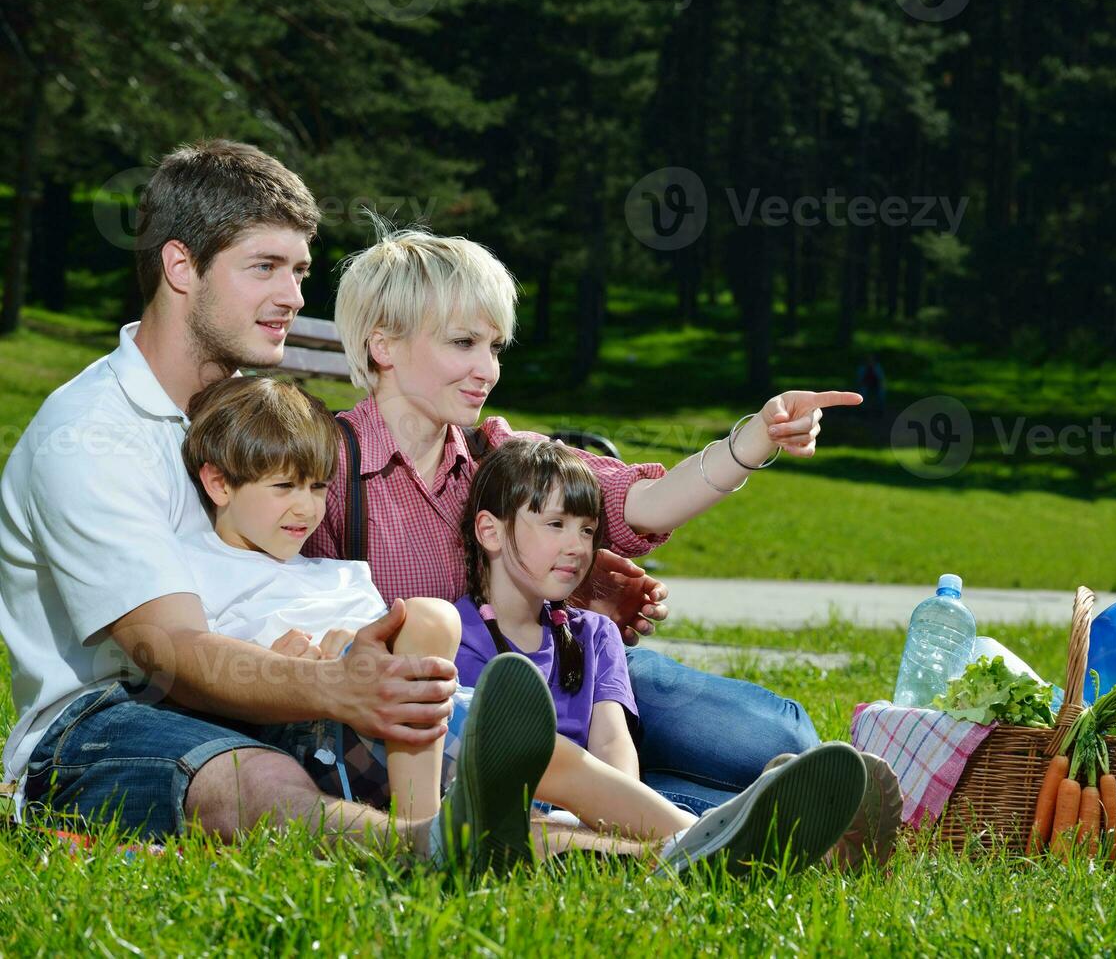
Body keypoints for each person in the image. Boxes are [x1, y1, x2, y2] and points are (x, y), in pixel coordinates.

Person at [0, 139, 548, 879]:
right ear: (180, 267)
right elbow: (168, 652)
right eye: (265, 267)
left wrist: (528, 571)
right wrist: (334, 687)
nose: (294, 296)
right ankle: (425, 848)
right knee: (255, 780)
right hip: (100, 720)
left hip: (255, 683)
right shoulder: (91, 435)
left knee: (485, 745)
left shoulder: (249, 422)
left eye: (299, 271)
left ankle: (667, 844)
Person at [175, 373, 871, 876]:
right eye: (284, 489)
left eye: (316, 489)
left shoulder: (337, 571)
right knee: (437, 635)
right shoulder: (206, 575)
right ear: (218, 484)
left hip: (432, 711)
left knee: (547, 777)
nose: (306, 508)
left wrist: (748, 441)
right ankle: (423, 837)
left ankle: (689, 844)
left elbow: (634, 501)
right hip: (353, 734)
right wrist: (304, 662)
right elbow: (203, 668)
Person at [308, 223, 864, 815]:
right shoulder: (327, 466)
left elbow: (638, 502)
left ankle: (737, 808)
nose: (487, 370)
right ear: (383, 345)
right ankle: (745, 818)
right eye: (463, 343)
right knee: (717, 784)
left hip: (564, 663)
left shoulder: (498, 451)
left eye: (494, 348)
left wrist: (754, 439)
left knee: (783, 738)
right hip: (455, 724)